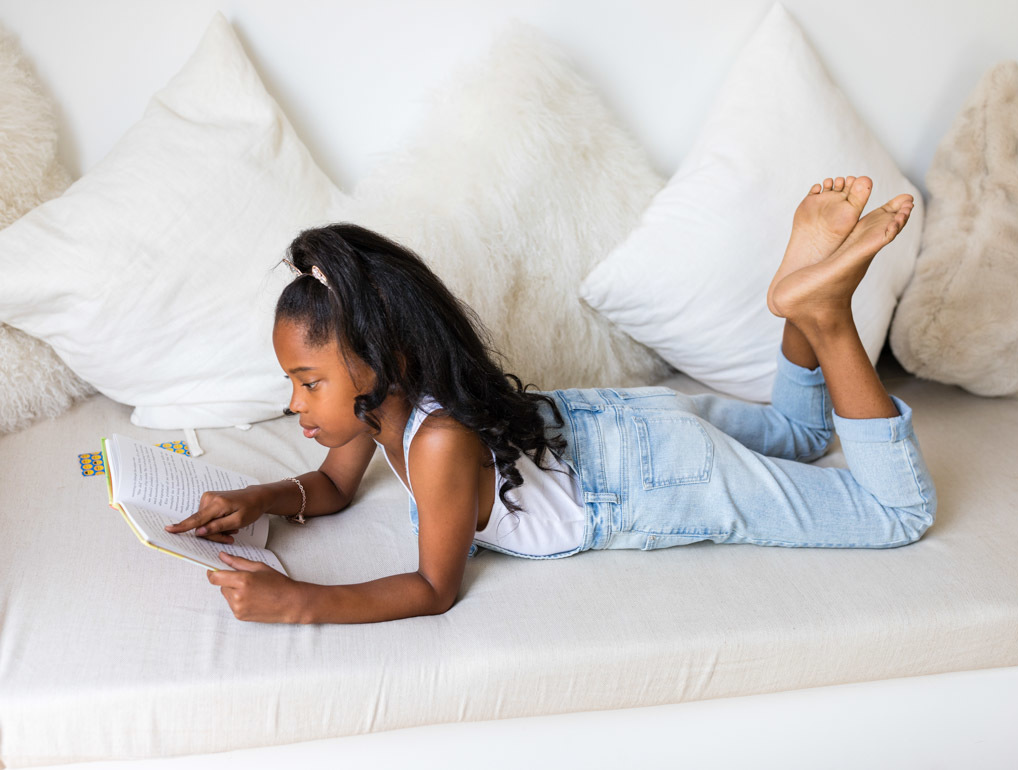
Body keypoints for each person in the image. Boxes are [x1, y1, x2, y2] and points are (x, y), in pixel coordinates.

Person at [165, 175, 937, 625]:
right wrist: (256, 496)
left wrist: (297, 601)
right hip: (620, 422)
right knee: (795, 434)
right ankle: (802, 304)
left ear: (380, 362)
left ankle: (828, 319)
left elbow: (434, 589)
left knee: (896, 512)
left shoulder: (437, 443)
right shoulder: (386, 399)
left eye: (307, 382)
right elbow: (334, 486)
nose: (294, 403)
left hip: (656, 477)